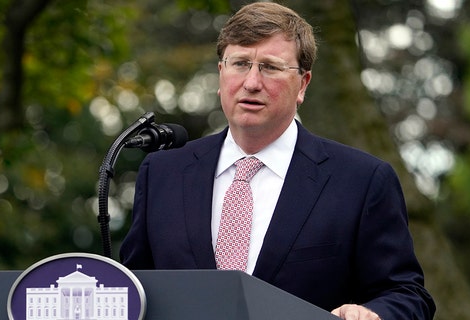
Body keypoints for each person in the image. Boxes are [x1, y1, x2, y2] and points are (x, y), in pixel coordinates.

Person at [120, 2, 435, 319]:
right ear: (220, 73)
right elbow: (132, 291)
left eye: (270, 67)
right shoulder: (162, 173)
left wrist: (373, 313)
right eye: (240, 64)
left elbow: (407, 295)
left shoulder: (362, 181)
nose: (252, 82)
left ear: (303, 84)